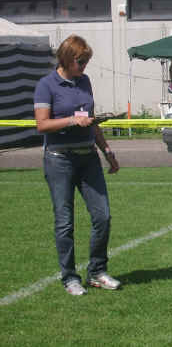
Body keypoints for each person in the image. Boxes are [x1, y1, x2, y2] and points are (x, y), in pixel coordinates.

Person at [34, 35, 121, 296]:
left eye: (86, 62)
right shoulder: (46, 85)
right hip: (59, 160)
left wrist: (107, 151)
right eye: (81, 61)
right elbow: (42, 125)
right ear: (67, 58)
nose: (84, 67)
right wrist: (72, 121)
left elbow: (90, 121)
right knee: (65, 222)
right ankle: (70, 278)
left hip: (88, 158)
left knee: (103, 217)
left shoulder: (85, 82)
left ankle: (97, 271)